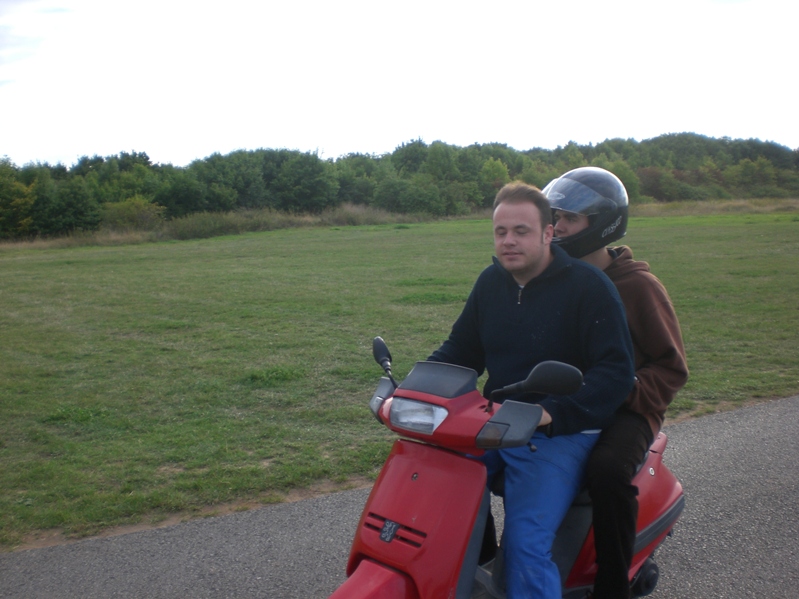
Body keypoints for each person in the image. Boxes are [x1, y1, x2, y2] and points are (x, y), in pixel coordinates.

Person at [428, 181, 635, 599]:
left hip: (559, 431)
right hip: (498, 421)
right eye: (501, 231)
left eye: (521, 231)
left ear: (547, 233)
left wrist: (552, 411)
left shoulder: (589, 287)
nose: (508, 241)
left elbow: (615, 372)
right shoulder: (492, 282)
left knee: (526, 545)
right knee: (432, 492)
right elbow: (462, 349)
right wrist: (420, 384)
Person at [543, 166, 689, 599]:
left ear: (603, 224)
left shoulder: (639, 287)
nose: (558, 226)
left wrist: (622, 389)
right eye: (555, 216)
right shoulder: (558, 279)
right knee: (490, 453)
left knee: (607, 472)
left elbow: (672, 368)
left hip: (631, 407)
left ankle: (612, 585)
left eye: (570, 218)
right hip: (574, 399)